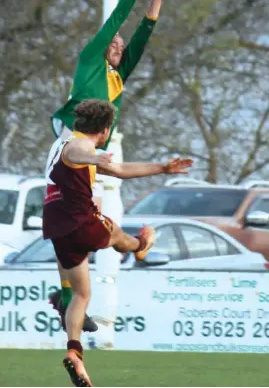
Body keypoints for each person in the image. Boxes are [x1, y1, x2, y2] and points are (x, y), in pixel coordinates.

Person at [46, 0, 170, 333]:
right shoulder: (89, 63)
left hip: (91, 157)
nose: (117, 47)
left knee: (81, 220)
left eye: (118, 47)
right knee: (78, 214)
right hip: (71, 143)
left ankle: (66, 299)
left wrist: (158, 2)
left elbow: (141, 39)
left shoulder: (118, 77)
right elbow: (116, 19)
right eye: (112, 44)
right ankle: (69, 299)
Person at [43, 99, 193, 387]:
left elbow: (122, 170)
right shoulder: (79, 146)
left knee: (81, 295)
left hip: (57, 228)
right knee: (117, 236)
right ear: (106, 129)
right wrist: (93, 158)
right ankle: (140, 244)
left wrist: (162, 167)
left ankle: (74, 350)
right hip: (79, 221)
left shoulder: (69, 146)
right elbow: (80, 152)